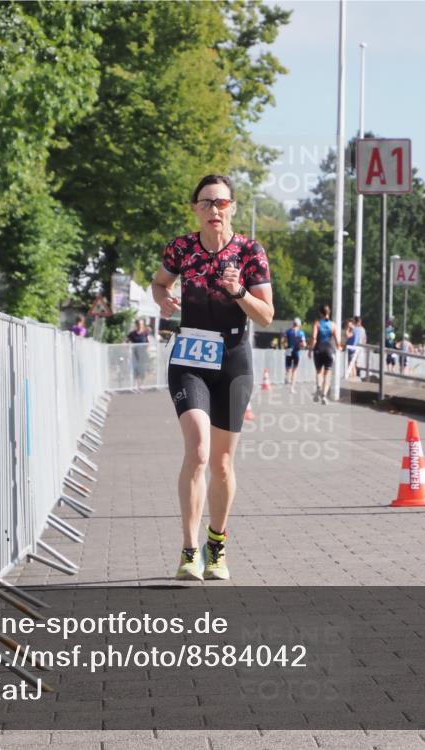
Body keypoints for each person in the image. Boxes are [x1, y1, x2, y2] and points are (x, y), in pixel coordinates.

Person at [151, 175, 273, 582]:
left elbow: (266, 315)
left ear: (233, 207)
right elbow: (159, 281)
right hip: (190, 356)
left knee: (221, 463)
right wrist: (162, 297)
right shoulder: (181, 247)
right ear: (195, 210)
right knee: (199, 450)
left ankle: (215, 546)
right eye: (206, 203)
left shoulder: (250, 252)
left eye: (221, 202)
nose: (214, 210)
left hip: (234, 358)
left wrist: (239, 293)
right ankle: (189, 552)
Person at [309, 304, 341, 403]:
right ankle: (324, 396)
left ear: (320, 313)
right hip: (329, 350)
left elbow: (314, 338)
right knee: (327, 373)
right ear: (329, 313)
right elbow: (337, 340)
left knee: (319, 372)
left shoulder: (317, 324)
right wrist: (339, 347)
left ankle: (318, 386)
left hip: (318, 349)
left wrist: (310, 350)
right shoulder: (333, 325)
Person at [127, 318, 150, 392]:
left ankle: (142, 385)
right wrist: (128, 346)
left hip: (143, 355)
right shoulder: (132, 334)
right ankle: (136, 385)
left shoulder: (145, 333)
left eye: (141, 324)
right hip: (134, 355)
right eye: (139, 324)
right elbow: (127, 342)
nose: (140, 325)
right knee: (135, 369)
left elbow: (147, 343)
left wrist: (147, 349)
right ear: (136, 325)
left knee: (142, 369)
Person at [283, 317, 306, 393]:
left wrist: (285, 345)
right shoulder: (301, 333)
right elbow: (304, 344)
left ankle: (287, 377)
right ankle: (292, 388)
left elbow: (284, 340)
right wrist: (302, 345)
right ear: (299, 325)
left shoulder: (288, 332)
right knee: (294, 370)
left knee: (288, 368)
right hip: (297, 352)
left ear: (293, 324)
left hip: (289, 350)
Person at [345, 316, 366, 380]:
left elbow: (347, 335)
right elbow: (364, 340)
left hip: (352, 349)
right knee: (354, 365)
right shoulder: (361, 329)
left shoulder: (354, 330)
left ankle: (352, 379)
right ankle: (355, 378)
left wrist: (348, 329)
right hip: (358, 349)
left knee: (351, 366)